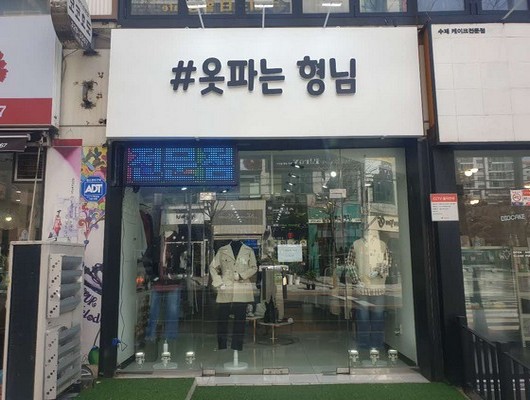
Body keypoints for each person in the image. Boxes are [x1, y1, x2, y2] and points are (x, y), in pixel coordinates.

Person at [346, 229, 390, 351]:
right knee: (363, 318)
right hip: (362, 288)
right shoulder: (356, 244)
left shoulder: (382, 245)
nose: (369, 232)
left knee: (378, 317)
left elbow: (387, 261)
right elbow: (349, 263)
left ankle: (377, 344)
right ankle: (363, 344)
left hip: (378, 288)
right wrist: (356, 280)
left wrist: (379, 271)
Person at [210, 240, 257, 351]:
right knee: (222, 318)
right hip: (225, 287)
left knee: (240, 319)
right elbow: (212, 267)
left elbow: (254, 267)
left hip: (242, 287)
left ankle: (237, 345)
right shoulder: (222, 250)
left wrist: (241, 275)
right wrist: (218, 282)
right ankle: (222, 345)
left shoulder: (248, 250)